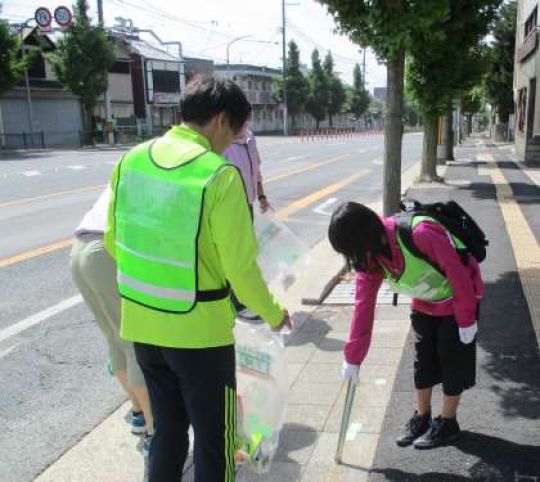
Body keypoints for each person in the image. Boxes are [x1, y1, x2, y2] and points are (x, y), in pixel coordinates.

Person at [104, 75, 291, 482]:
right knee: (215, 440)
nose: (233, 144)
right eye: (237, 134)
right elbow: (241, 271)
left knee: (167, 431)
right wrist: (274, 314)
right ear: (222, 120)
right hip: (200, 338)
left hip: (143, 329)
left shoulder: (130, 160)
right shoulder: (218, 176)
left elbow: (113, 241)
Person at [328, 202, 483, 449]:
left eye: (354, 250)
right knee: (423, 360)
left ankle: (448, 422)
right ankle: (421, 417)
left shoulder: (421, 234)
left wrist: (466, 318)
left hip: (457, 299)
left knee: (451, 357)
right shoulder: (372, 259)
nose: (355, 259)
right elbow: (363, 306)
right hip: (425, 301)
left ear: (365, 238)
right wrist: (353, 357)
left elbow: (458, 274)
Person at [70, 188, 154, 454]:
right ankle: (155, 432)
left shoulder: (137, 165)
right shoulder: (170, 170)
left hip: (79, 249)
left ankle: (139, 413)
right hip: (106, 249)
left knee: (115, 339)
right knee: (135, 342)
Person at [222, 124, 270, 216]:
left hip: (248, 205)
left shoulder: (250, 137)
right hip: (229, 208)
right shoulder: (222, 141)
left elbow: (256, 170)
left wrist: (261, 196)